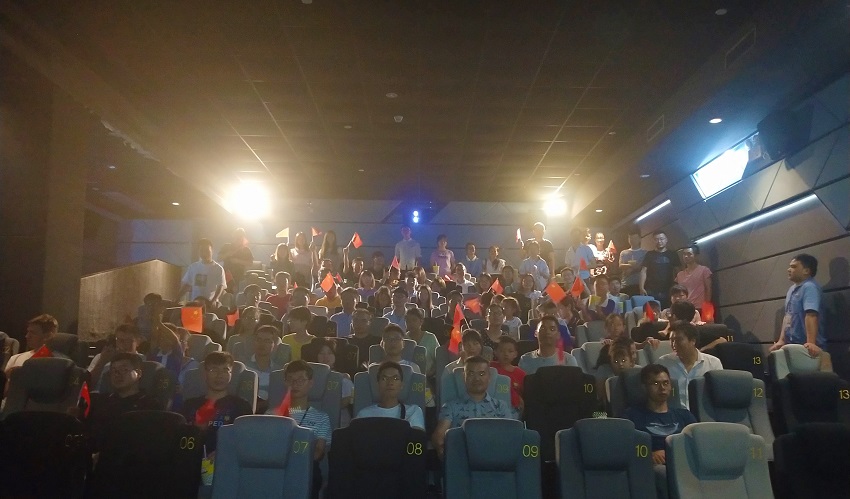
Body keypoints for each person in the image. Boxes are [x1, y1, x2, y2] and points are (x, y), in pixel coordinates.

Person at [432, 356, 517, 458]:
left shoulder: (500, 406)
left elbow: (511, 434)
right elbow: (439, 436)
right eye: (471, 374)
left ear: (489, 377)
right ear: (464, 376)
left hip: (495, 458)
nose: (477, 379)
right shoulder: (451, 406)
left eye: (481, 374)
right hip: (462, 457)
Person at [274, 361, 331, 499]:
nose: (295, 384)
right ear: (285, 382)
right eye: (290, 379)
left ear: (310, 383)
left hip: (306, 468)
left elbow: (318, 452)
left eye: (301, 380)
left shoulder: (321, 418)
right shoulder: (272, 415)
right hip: (276, 467)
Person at [181, 352, 253, 457]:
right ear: (205, 373)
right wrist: (196, 429)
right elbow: (180, 439)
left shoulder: (241, 406)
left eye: (225, 370)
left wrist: (222, 453)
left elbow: (247, 441)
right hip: (192, 459)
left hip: (227, 461)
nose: (219, 375)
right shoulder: (190, 405)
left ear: (231, 374)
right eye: (214, 370)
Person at [624, 364, 696, 465]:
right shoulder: (632, 416)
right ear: (644, 387)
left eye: (666, 383)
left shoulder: (684, 415)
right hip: (650, 466)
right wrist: (649, 454)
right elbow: (625, 447)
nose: (662, 388)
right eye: (655, 383)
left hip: (682, 463)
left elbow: (698, 444)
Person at [88, 352, 162, 448]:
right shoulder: (101, 401)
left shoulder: (149, 405)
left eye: (124, 370)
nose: (117, 374)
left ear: (138, 373)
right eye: (114, 370)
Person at [656, 321, 723, 408]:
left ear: (693, 341)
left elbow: (719, 395)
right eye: (671, 340)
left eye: (678, 340)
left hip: (703, 412)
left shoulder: (713, 364)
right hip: (675, 413)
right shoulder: (663, 363)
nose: (674, 344)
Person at [770, 254, 826, 357]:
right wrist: (781, 340)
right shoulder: (791, 289)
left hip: (808, 349)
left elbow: (811, 315)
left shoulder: (810, 287)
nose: (789, 269)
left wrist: (811, 343)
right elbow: (787, 316)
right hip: (793, 346)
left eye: (794, 266)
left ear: (806, 270)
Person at [356, 361, 425, 430]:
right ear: (378, 385)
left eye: (395, 379)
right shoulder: (364, 415)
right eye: (384, 379)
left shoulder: (413, 412)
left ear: (402, 385)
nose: (390, 383)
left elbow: (417, 435)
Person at [88, 323, 144, 390]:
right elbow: (88, 383)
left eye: (128, 341)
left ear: (138, 342)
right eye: (119, 340)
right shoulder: (101, 357)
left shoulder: (143, 360)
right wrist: (102, 361)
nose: (122, 344)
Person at [244, 325, 285, 413]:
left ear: (274, 345)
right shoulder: (243, 366)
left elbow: (278, 397)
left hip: (269, 411)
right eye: (258, 340)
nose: (261, 344)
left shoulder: (279, 371)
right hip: (245, 408)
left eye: (267, 341)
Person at [177, 238, 226, 305]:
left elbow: (221, 286)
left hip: (210, 304)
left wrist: (213, 300)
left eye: (207, 251)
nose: (204, 253)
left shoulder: (218, 269)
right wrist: (177, 298)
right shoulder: (193, 267)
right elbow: (186, 285)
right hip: (195, 303)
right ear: (199, 252)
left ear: (212, 250)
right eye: (202, 251)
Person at [639, 231, 681, 308]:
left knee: (669, 310)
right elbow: (643, 271)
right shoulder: (649, 254)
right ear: (653, 241)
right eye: (656, 239)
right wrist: (641, 287)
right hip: (651, 289)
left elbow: (678, 272)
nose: (659, 241)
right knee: (653, 311)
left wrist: (679, 287)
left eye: (661, 239)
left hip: (669, 289)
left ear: (666, 240)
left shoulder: (672, 254)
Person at [491, 336, 525, 414]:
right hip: (492, 406)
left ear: (515, 354)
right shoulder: (490, 368)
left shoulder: (520, 373)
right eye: (502, 351)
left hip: (513, 408)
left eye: (510, 351)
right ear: (495, 352)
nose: (506, 354)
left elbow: (523, 393)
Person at [675, 247, 712, 314]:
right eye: (684, 254)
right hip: (684, 308)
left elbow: (708, 289)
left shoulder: (704, 270)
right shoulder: (680, 274)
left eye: (689, 254)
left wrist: (707, 307)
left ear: (695, 255)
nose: (686, 256)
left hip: (700, 307)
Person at [404, 308, 439, 377]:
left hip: (428, 377)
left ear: (421, 321)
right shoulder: (403, 339)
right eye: (408, 321)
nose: (411, 323)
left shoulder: (430, 338)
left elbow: (438, 360)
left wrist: (431, 373)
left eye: (414, 320)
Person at [218, 228, 254, 292]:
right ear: (233, 236)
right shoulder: (226, 246)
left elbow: (250, 263)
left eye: (240, 237)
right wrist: (227, 254)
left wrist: (238, 261)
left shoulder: (245, 249)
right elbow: (218, 258)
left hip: (239, 276)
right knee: (225, 293)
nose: (238, 239)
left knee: (237, 293)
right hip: (226, 275)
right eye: (237, 237)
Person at [619, 226, 647, 297]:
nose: (632, 240)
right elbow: (621, 266)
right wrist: (631, 265)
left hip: (639, 285)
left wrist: (630, 269)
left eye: (635, 238)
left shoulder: (645, 253)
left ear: (640, 239)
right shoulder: (624, 252)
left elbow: (642, 268)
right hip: (625, 284)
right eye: (630, 238)